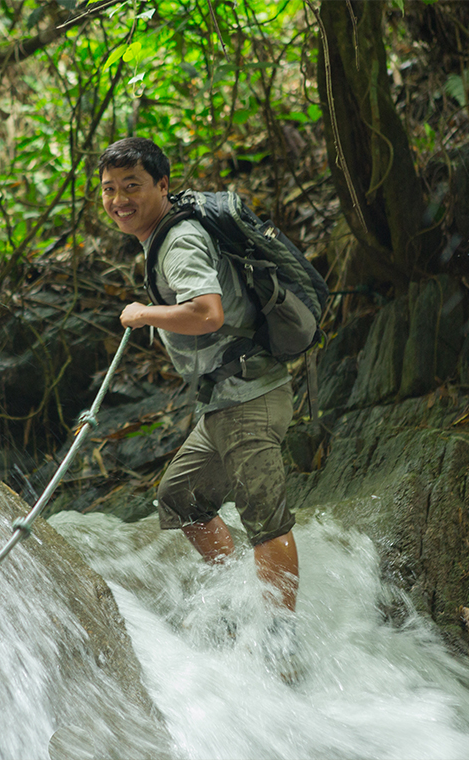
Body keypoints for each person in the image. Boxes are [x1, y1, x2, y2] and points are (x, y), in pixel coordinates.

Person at [98, 138, 301, 665]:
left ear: (162, 186)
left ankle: (283, 644)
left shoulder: (178, 240)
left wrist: (144, 314)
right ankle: (239, 600)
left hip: (249, 397)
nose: (119, 199)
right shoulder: (165, 236)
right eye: (109, 189)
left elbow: (207, 312)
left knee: (266, 521)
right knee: (181, 498)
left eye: (132, 186)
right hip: (227, 401)